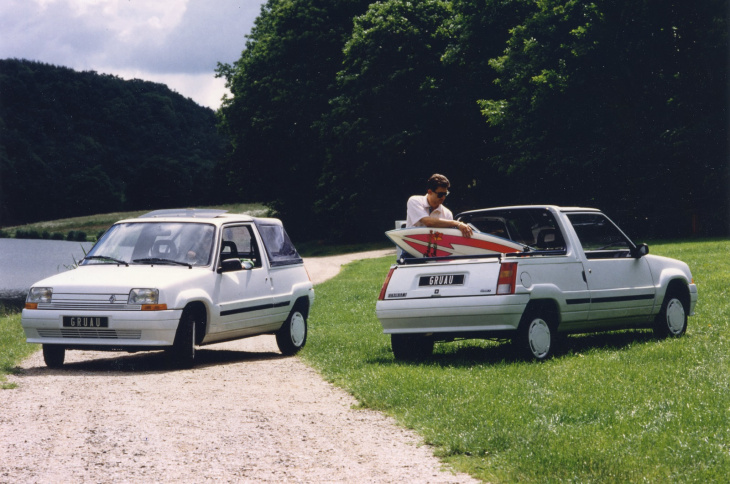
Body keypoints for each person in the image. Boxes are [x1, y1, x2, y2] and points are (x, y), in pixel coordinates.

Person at [406, 173, 473, 237]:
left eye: (445, 194)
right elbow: (428, 222)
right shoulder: (414, 201)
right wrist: (458, 223)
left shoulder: (447, 213)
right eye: (440, 194)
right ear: (430, 192)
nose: (443, 197)